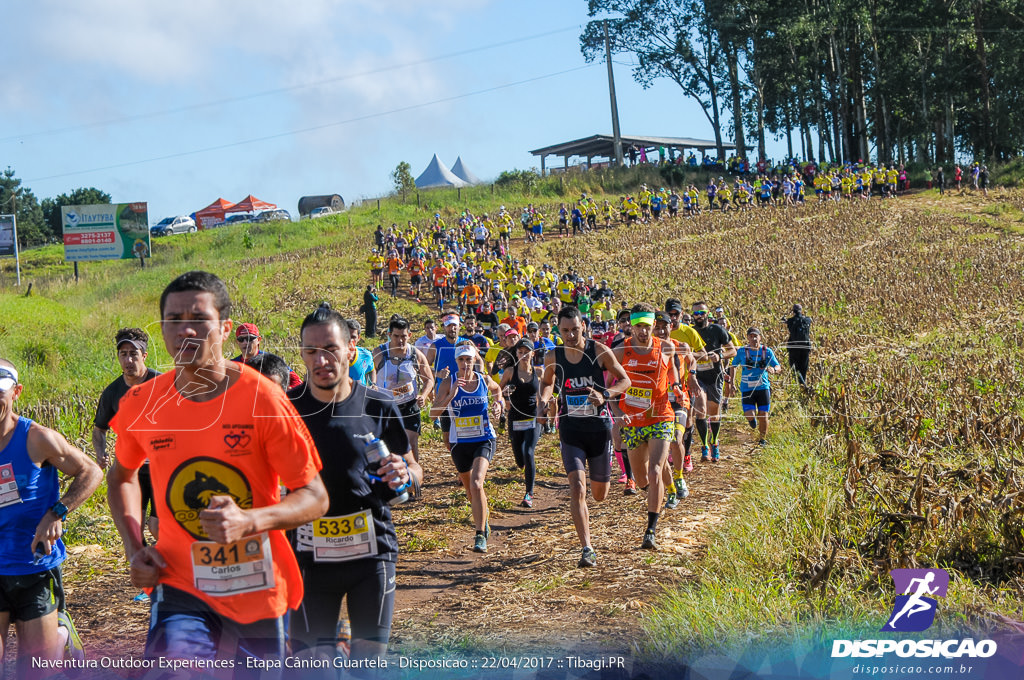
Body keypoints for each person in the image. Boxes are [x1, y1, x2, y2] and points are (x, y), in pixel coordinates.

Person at [107, 271, 329, 673]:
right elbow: (121, 475)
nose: (185, 330)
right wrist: (133, 544)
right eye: (173, 320)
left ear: (225, 328)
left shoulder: (263, 397)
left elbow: (315, 496)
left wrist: (250, 520)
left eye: (198, 318)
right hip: (179, 582)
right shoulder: (142, 402)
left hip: (255, 583)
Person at [288, 303, 420, 661]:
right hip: (306, 561)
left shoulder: (377, 403)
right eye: (311, 351)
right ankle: (337, 642)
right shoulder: (286, 410)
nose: (321, 360)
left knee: (366, 669)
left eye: (330, 349)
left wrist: (407, 474)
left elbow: (412, 467)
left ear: (351, 349)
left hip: (371, 553)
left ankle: (347, 642)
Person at [0, 360, 103, 675]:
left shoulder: (36, 438)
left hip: (34, 568)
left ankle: (59, 633)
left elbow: (91, 471)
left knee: (36, 671)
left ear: (16, 393)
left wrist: (57, 512)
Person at [538, 307, 630, 568]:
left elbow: (624, 380)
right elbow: (546, 382)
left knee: (599, 494)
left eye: (575, 330)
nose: (570, 335)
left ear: (583, 327)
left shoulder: (598, 351)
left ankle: (603, 483)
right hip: (571, 430)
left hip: (599, 430)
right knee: (577, 488)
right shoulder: (553, 355)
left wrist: (606, 395)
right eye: (565, 331)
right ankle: (587, 548)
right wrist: (544, 401)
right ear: (559, 330)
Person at [612, 305, 681, 550]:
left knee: (655, 470)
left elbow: (672, 369)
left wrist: (676, 387)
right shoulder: (620, 351)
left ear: (654, 326)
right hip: (632, 421)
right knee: (642, 478)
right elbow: (609, 389)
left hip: (661, 416)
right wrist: (618, 415)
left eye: (647, 326)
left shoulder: (665, 347)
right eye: (638, 326)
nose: (643, 331)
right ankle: (660, 491)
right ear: (631, 326)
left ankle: (650, 530)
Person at [430, 345, 505, 553]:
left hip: (484, 438)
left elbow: (497, 390)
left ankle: (479, 534)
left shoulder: (483, 379)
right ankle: (485, 520)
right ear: (456, 362)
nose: (465, 364)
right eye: (461, 360)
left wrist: (498, 404)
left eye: (469, 359)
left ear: (474, 361)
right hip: (459, 442)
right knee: (471, 491)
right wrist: (450, 395)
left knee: (477, 482)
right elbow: (433, 414)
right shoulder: (448, 382)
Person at [93, 329, 162, 554]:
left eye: (134, 354)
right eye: (123, 354)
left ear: (145, 355)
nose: (128, 360)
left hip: (163, 466)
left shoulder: (162, 383)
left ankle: (173, 574)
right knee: (134, 529)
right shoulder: (113, 392)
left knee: (158, 527)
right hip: (132, 470)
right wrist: (100, 453)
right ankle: (149, 579)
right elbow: (99, 429)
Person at [373, 317, 434, 464]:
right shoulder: (379, 353)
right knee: (387, 446)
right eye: (396, 336)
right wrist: (372, 387)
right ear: (389, 335)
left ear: (410, 335)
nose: (400, 340)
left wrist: (423, 395)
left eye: (404, 337)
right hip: (386, 406)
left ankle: (414, 481)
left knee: (411, 444)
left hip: (409, 404)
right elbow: (368, 376)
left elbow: (429, 379)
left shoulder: (415, 354)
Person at [499, 339, 542, 508]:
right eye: (520, 352)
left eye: (527, 351)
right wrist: (504, 397)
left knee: (528, 450)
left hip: (532, 418)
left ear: (533, 353)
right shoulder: (510, 372)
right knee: (519, 459)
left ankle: (529, 493)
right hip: (515, 419)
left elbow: (546, 390)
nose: (523, 355)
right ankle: (525, 466)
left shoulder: (539, 372)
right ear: (516, 354)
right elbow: (497, 391)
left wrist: (546, 405)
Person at [691, 301, 736, 462]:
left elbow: (733, 350)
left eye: (702, 313)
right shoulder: (691, 332)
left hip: (715, 376)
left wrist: (720, 356)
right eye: (696, 313)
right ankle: (704, 447)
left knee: (714, 412)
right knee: (700, 409)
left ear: (708, 314)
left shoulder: (717, 330)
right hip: (698, 376)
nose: (699, 316)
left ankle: (714, 442)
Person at [731, 327, 782, 446]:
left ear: (760, 337)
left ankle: (762, 439)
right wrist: (732, 383)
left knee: (763, 416)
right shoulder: (742, 351)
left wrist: (774, 369)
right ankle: (752, 421)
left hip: (763, 388)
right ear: (748, 338)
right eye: (751, 336)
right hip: (747, 388)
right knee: (749, 414)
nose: (754, 338)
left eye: (756, 336)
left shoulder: (767, 351)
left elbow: (778, 366)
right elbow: (733, 365)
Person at [783, 304, 813, 387]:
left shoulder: (791, 321)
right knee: (804, 367)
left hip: (794, 348)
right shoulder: (807, 320)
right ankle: (803, 384)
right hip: (805, 348)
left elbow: (790, 325)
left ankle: (797, 384)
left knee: (794, 367)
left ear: (793, 311)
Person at [346, 319, 376, 386]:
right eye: (347, 336)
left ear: (359, 338)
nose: (350, 340)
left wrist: (373, 384)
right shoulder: (332, 356)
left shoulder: (366, 355)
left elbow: (371, 370)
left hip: (360, 395)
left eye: (353, 337)